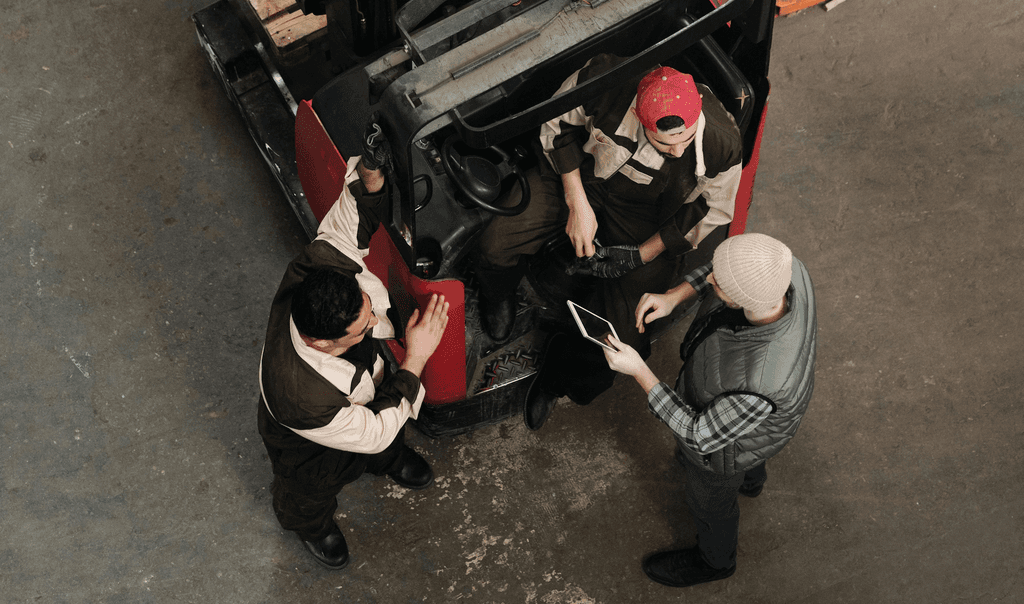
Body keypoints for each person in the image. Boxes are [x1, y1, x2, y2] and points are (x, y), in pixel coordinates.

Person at [474, 53, 744, 429]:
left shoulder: (723, 143)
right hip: (581, 178)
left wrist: (641, 255)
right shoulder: (601, 81)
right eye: (665, 144)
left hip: (649, 215)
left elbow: (711, 210)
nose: (679, 151)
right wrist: (576, 202)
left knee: (625, 336)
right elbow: (555, 125)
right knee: (497, 239)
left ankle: (558, 378)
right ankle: (498, 292)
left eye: (686, 139)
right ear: (638, 115)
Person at [257, 145, 450, 571]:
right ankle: (311, 526)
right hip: (307, 445)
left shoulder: (319, 269)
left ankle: (389, 461)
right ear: (323, 343)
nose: (376, 322)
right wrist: (416, 358)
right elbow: (373, 430)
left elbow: (348, 221)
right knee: (308, 488)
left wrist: (370, 177)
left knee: (386, 413)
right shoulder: (299, 396)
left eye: (367, 308)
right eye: (364, 327)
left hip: (359, 383)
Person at [602, 233, 816, 587]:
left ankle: (715, 562)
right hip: (758, 424)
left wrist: (639, 370)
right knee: (754, 448)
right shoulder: (782, 268)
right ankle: (751, 481)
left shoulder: (760, 384)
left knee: (710, 503)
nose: (709, 278)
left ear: (742, 300)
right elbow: (727, 273)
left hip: (722, 452)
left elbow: (698, 434)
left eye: (718, 283)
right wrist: (675, 296)